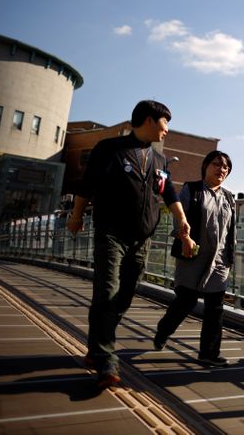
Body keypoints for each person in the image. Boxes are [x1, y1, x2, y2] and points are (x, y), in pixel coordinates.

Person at [67, 100, 190, 389]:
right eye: (165, 123)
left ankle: (96, 347)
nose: (167, 130)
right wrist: (75, 216)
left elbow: (169, 193)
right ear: (148, 120)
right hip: (111, 233)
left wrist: (182, 223)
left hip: (143, 239)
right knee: (107, 292)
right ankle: (106, 357)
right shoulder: (109, 149)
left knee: (124, 297)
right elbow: (87, 186)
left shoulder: (159, 161)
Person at [153, 150, 236, 366]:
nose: (222, 169)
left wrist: (229, 258)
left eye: (226, 167)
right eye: (217, 164)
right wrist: (185, 239)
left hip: (218, 261)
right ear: (206, 166)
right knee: (185, 302)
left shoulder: (229, 196)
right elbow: (179, 218)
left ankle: (208, 353)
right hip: (193, 255)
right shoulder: (192, 189)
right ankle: (164, 330)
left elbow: (230, 231)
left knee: (215, 308)